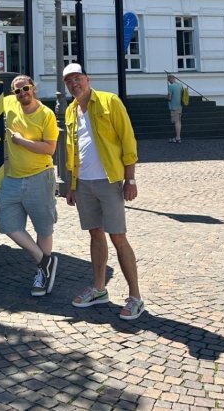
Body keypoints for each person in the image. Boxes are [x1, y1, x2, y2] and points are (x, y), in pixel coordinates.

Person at [63, 63, 144, 321]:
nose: (74, 84)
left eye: (77, 79)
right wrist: (72, 186)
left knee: (118, 237)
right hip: (84, 184)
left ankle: (135, 297)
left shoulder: (110, 102)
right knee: (95, 235)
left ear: (87, 79)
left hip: (109, 180)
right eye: (69, 81)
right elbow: (73, 149)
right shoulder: (70, 111)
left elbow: (128, 140)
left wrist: (130, 179)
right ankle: (99, 289)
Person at [0, 73, 59, 297]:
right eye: (17, 90)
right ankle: (44, 261)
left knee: (43, 227)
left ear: (34, 88)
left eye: (25, 88)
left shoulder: (46, 114)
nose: (22, 93)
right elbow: (4, 81)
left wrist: (21, 141)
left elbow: (50, 149)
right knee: (8, 223)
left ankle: (42, 275)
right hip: (13, 178)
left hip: (40, 176)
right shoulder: (10, 102)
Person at [166, 73, 184, 143]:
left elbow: (169, 98)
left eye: (168, 80)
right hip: (180, 106)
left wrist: (166, 97)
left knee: (176, 122)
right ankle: (178, 137)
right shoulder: (180, 85)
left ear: (171, 78)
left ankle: (178, 138)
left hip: (174, 107)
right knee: (179, 122)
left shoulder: (171, 86)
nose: (168, 81)